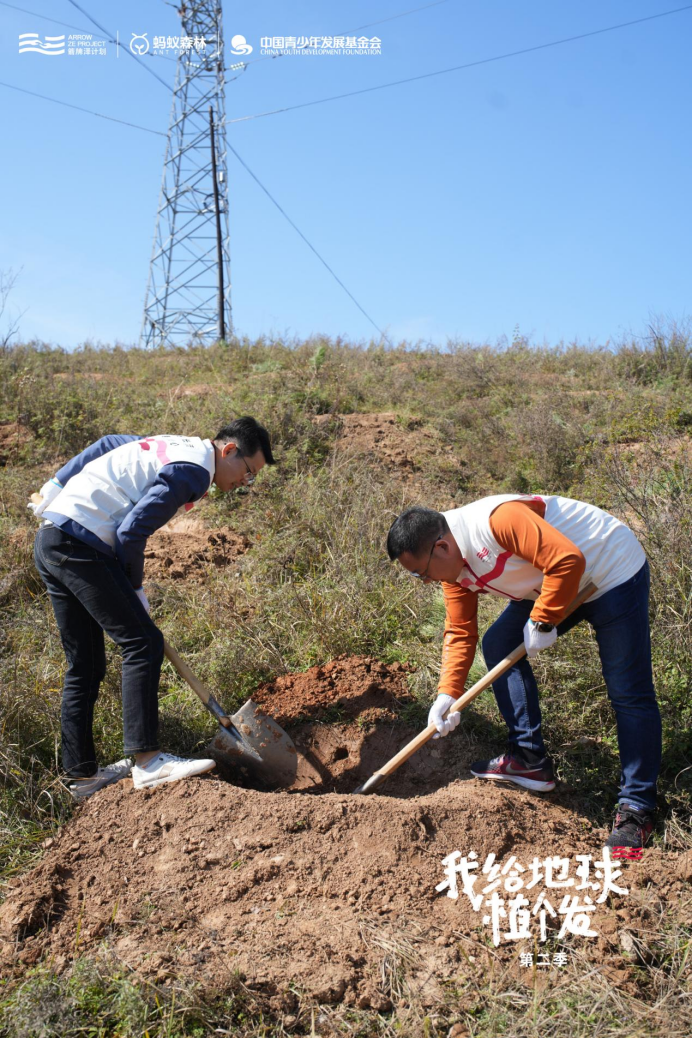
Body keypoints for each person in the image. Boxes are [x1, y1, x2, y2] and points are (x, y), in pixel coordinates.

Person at [386, 493, 662, 850]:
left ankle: (637, 808)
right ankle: (529, 759)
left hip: (609, 569)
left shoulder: (498, 521)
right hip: (553, 579)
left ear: (441, 547)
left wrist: (543, 619)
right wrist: (446, 694)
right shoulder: (451, 564)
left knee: (628, 690)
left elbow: (567, 559)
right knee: (499, 643)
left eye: (421, 573)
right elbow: (460, 630)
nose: (424, 581)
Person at [30, 418, 275, 800]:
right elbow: (130, 532)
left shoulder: (175, 445)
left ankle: (82, 778)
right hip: (81, 545)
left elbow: (108, 440)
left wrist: (58, 483)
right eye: (248, 471)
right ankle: (148, 762)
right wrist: (137, 588)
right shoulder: (195, 470)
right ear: (228, 451)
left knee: (87, 663)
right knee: (143, 643)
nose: (246, 482)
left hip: (52, 539)